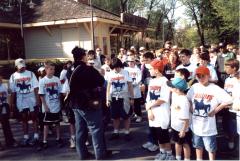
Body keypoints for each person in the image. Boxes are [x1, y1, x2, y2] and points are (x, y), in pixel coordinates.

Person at [66, 46, 106, 160]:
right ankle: (100, 155)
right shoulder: (88, 69)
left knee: (80, 130)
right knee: (96, 129)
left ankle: (83, 154)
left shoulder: (70, 69)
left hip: (75, 103)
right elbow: (101, 81)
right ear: (83, 56)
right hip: (88, 103)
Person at [187, 66, 232, 160]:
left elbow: (228, 100)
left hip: (208, 127)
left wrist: (216, 110)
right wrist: (191, 105)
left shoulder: (215, 88)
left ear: (208, 76)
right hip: (196, 125)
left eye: (203, 76)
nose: (201, 78)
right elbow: (188, 98)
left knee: (210, 148)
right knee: (197, 146)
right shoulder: (194, 87)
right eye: (198, 76)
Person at [145, 59, 174, 160]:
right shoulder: (152, 81)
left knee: (163, 134)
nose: (149, 71)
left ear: (157, 70)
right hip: (153, 113)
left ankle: (169, 154)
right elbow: (148, 98)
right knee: (157, 134)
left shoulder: (165, 81)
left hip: (162, 113)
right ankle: (162, 152)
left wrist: (150, 106)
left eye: (151, 69)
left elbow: (163, 99)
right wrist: (149, 111)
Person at [9, 58, 40, 146]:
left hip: (31, 97)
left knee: (34, 117)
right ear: (16, 66)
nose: (22, 68)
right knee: (24, 118)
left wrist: (37, 101)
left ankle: (36, 135)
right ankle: (26, 136)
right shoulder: (13, 76)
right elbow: (13, 91)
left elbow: (36, 88)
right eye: (20, 67)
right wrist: (12, 104)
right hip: (20, 98)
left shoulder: (30, 73)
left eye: (23, 66)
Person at [106, 58, 134, 141]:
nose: (116, 69)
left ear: (120, 66)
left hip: (124, 97)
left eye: (117, 67)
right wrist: (107, 99)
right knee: (115, 116)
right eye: (114, 68)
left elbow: (130, 85)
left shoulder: (125, 72)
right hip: (114, 97)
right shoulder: (110, 74)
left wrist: (131, 98)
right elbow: (108, 87)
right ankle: (116, 132)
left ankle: (127, 132)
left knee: (126, 116)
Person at [38, 61, 64, 150]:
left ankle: (58, 138)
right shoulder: (42, 81)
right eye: (50, 69)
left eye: (53, 69)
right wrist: (45, 106)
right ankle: (44, 141)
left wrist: (60, 103)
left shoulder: (57, 79)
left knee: (57, 123)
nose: (52, 71)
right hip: (48, 106)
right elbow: (41, 95)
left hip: (56, 105)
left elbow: (60, 92)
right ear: (46, 69)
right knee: (46, 124)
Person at [167, 77, 191, 160]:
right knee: (177, 142)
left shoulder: (183, 100)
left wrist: (183, 130)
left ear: (177, 89)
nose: (171, 88)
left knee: (185, 144)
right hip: (175, 126)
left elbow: (186, 118)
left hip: (182, 128)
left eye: (172, 87)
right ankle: (178, 158)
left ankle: (187, 159)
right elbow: (171, 89)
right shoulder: (176, 95)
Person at [223, 59, 239, 149]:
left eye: (228, 67)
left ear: (234, 68)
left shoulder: (237, 79)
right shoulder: (227, 79)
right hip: (226, 105)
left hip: (234, 106)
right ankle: (229, 139)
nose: (225, 68)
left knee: (233, 125)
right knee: (225, 124)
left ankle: (233, 142)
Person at [0, 75, 18, 150]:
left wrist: (10, 106)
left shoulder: (4, 85)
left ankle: (10, 141)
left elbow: (9, 95)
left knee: (6, 125)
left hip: (4, 106)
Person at [124, 56, 142, 122]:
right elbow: (124, 78)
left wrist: (134, 84)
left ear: (134, 62)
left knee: (137, 103)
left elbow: (139, 78)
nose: (130, 63)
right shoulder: (125, 69)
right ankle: (130, 115)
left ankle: (139, 116)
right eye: (129, 62)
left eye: (131, 61)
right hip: (128, 89)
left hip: (136, 89)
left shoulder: (137, 69)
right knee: (128, 103)